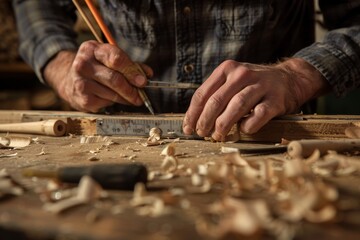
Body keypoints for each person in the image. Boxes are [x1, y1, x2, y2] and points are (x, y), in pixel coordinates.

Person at [13, 0, 360, 141]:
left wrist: (295, 78)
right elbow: (35, 7)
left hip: (268, 138)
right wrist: (62, 68)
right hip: (124, 141)